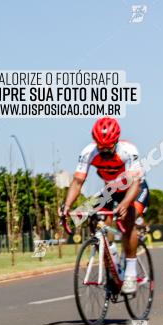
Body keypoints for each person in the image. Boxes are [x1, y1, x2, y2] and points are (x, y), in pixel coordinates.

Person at [60, 117, 149, 294]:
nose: (104, 150)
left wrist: (125, 203)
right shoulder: (88, 152)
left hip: (134, 189)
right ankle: (114, 264)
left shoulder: (128, 151)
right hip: (111, 189)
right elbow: (78, 182)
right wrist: (67, 205)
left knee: (128, 217)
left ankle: (130, 274)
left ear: (116, 141)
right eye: (101, 146)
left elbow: (134, 183)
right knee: (88, 216)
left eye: (108, 146)